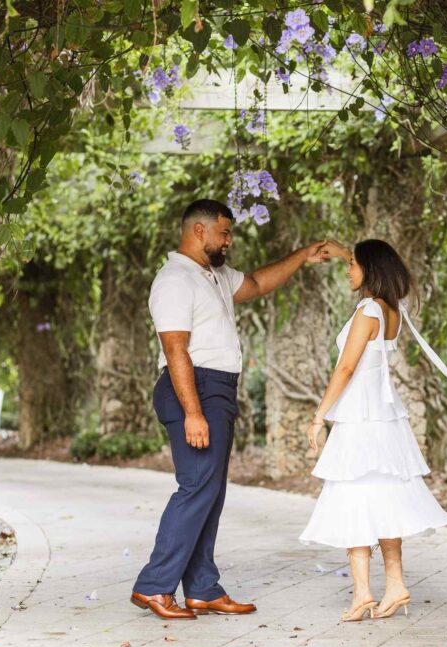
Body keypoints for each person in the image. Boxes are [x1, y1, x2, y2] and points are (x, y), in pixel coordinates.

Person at [131, 199, 330, 619]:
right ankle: (154, 586)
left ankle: (202, 588)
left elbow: (256, 283)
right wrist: (193, 412)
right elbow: (175, 348)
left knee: (211, 491)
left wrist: (302, 256)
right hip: (194, 387)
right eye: (224, 233)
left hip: (216, 388)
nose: (229, 241)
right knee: (196, 487)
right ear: (199, 231)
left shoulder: (214, 276)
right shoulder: (174, 280)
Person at [300, 238, 447, 622]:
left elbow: (346, 368)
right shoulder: (391, 310)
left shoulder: (368, 310)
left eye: (351, 265)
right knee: (384, 499)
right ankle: (394, 585)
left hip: (360, 418)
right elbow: (367, 259)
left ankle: (362, 593)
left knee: (354, 498)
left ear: (369, 270)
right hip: (384, 419)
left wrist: (319, 415)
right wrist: (344, 251)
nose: (347, 270)